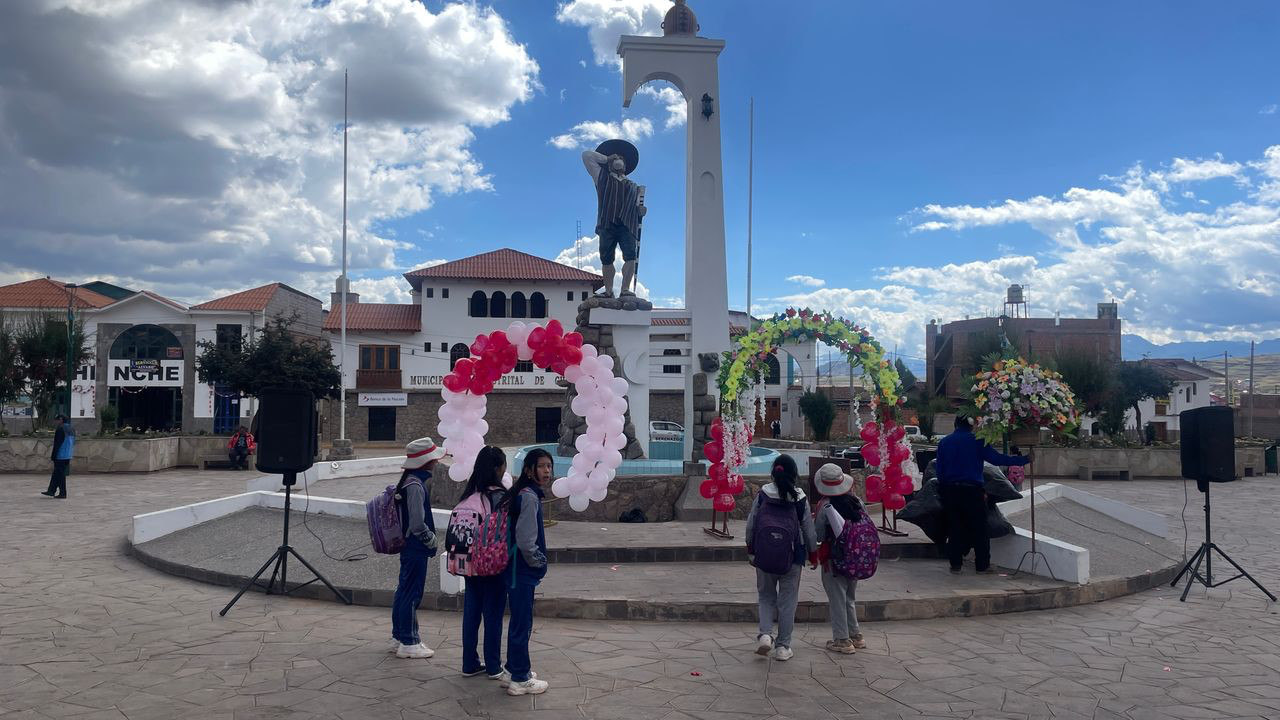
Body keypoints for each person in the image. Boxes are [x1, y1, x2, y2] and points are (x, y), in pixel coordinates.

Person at [935, 417, 1030, 575]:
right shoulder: (978, 441)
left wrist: (945, 489)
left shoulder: (945, 442)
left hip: (951, 491)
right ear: (972, 426)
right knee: (979, 528)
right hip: (972, 491)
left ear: (955, 424)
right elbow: (997, 459)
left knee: (954, 527)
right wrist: (1023, 459)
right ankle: (982, 565)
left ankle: (956, 565)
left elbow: (940, 471)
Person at [744, 454, 817, 662]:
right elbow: (809, 530)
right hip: (792, 557)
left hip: (764, 554)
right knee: (788, 601)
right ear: (794, 473)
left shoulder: (763, 494)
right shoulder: (800, 498)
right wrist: (813, 554)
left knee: (766, 596)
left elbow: (751, 524)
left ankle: (765, 635)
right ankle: (783, 647)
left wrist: (751, 550)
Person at [499, 448, 553, 696]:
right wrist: (539, 562)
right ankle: (520, 678)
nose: (547, 471)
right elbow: (526, 541)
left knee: (519, 621)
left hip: (514, 568)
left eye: (549, 466)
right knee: (522, 623)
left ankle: (512, 669)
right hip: (521, 570)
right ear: (529, 470)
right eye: (541, 466)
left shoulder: (521, 493)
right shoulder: (529, 497)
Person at [458, 446, 510, 680]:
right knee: (493, 615)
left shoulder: (469, 495)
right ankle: (493, 665)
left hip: (469, 564)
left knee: (471, 613)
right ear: (498, 468)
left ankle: (469, 663)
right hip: (491, 564)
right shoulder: (499, 497)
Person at [391, 437, 443, 659]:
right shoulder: (415, 486)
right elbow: (417, 523)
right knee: (412, 592)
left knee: (404, 590)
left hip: (409, 546)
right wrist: (430, 539)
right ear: (426, 462)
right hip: (415, 547)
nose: (437, 462)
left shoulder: (409, 481)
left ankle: (399, 635)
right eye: (434, 458)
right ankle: (409, 641)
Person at [812, 463, 866, 654]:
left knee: (837, 598)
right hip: (856, 557)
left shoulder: (825, 506)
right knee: (849, 597)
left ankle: (842, 640)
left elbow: (819, 535)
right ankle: (855, 635)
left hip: (833, 559)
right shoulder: (857, 501)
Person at [582, 142, 646, 298]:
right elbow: (587, 155)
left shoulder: (634, 186)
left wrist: (641, 211)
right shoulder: (601, 177)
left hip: (627, 224)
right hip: (607, 223)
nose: (618, 160)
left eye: (621, 158)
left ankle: (625, 289)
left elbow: (637, 208)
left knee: (631, 255)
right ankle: (609, 290)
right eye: (616, 158)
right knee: (606, 257)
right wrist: (606, 158)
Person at [41, 415, 75, 499]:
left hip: (60, 455)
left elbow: (57, 444)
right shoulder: (71, 429)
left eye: (57, 420)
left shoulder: (60, 429)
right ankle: (51, 490)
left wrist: (53, 455)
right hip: (68, 455)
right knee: (56, 473)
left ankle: (63, 493)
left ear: (61, 420)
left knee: (60, 475)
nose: (56, 422)